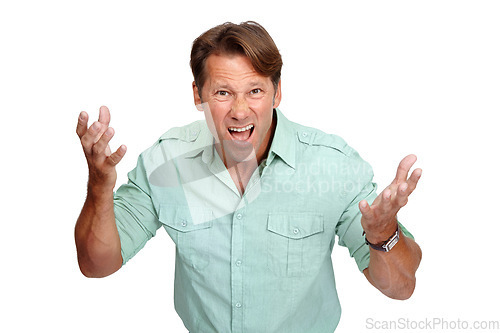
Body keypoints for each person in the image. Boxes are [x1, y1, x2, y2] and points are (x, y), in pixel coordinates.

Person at [75, 21, 422, 333]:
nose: (240, 111)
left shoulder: (331, 165)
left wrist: (382, 235)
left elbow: (400, 287)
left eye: (255, 91)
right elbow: (96, 265)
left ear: (277, 92)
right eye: (223, 92)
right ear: (198, 94)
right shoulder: (167, 161)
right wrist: (99, 187)